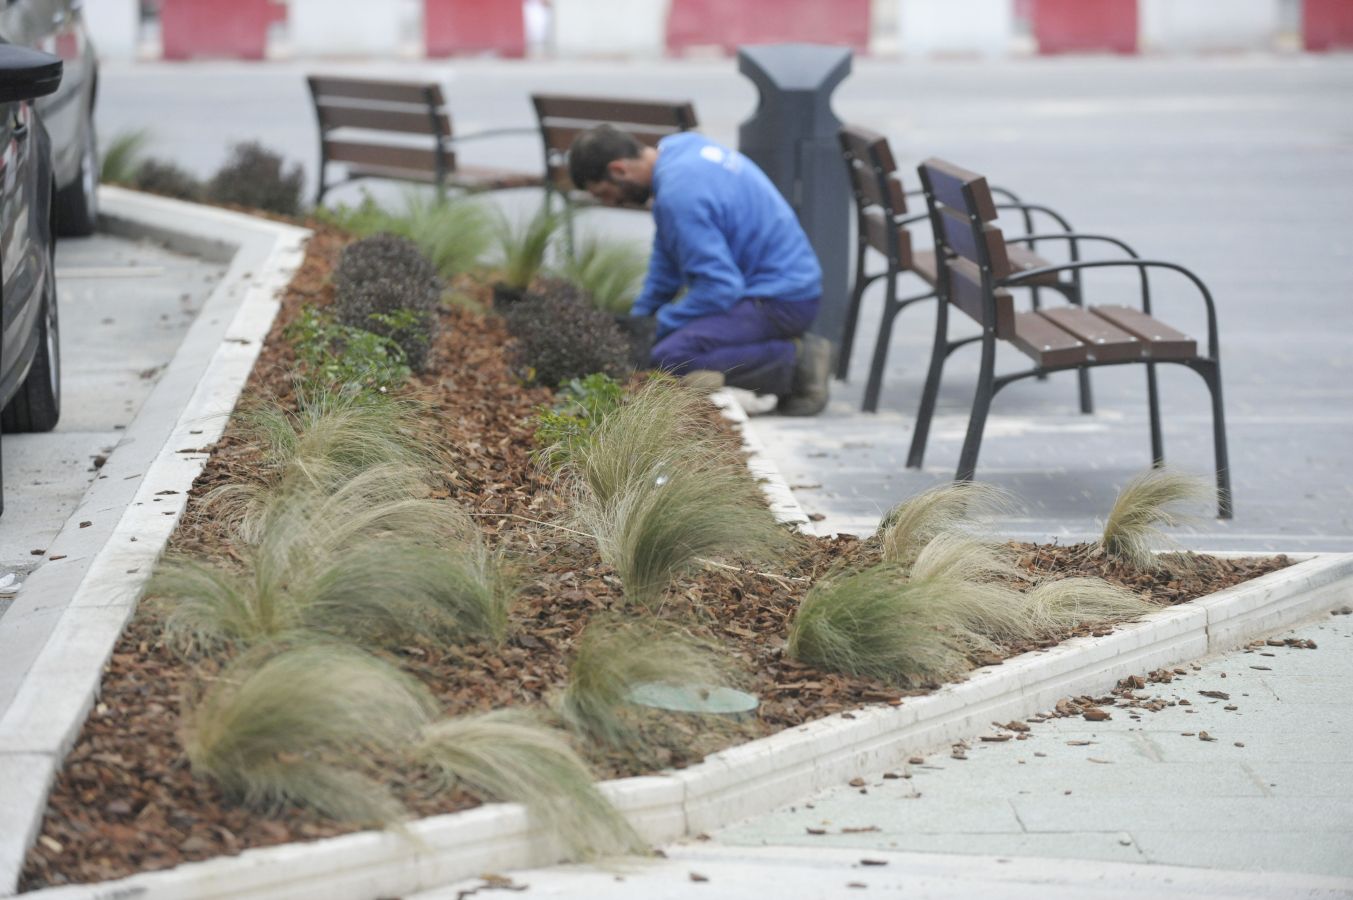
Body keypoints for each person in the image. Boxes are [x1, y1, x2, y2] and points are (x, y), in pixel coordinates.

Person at [567, 125, 831, 416]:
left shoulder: (679, 195)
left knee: (672, 356)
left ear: (618, 169)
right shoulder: (681, 150)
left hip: (781, 300)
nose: (611, 202)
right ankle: (782, 355)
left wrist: (660, 325)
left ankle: (798, 363)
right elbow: (666, 262)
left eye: (605, 193)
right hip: (781, 288)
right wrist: (640, 320)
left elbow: (719, 288)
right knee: (666, 342)